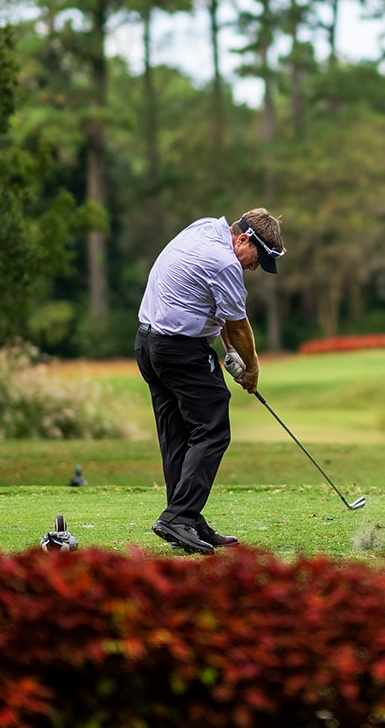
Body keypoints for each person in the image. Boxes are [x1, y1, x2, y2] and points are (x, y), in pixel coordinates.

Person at [135, 208, 285, 554]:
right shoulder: (226, 263)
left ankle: (184, 518)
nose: (255, 267)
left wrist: (229, 351)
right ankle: (179, 516)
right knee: (213, 429)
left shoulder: (203, 229)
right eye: (257, 259)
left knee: (177, 435)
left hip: (147, 343)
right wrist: (252, 369)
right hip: (179, 350)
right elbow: (238, 325)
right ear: (243, 239)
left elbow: (218, 310)